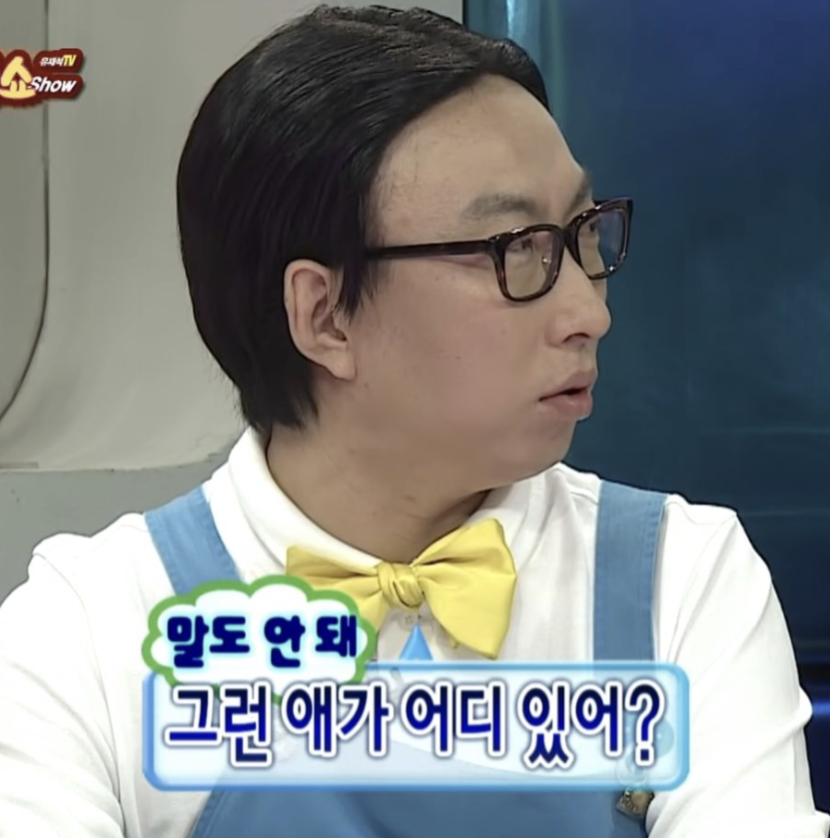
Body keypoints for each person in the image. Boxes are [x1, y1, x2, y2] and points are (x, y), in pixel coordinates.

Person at [0, 4, 826, 837]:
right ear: (324, 315)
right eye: (516, 248)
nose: (588, 312)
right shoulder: (88, 631)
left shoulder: (679, 582)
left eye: (581, 235)